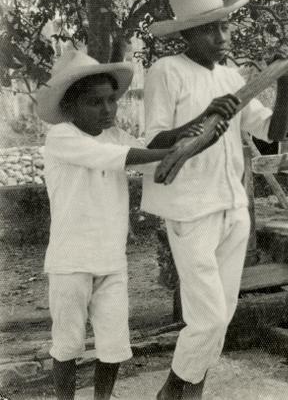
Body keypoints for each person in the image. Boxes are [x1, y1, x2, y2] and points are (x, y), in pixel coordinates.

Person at [35, 51, 227, 400]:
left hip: (111, 261)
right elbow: (127, 158)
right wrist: (181, 150)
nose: (107, 109)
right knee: (68, 344)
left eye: (112, 100)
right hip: (70, 262)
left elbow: (148, 153)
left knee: (114, 345)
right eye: (95, 102)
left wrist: (200, 123)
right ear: (71, 107)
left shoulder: (116, 136)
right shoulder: (61, 137)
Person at [143, 0, 288, 399]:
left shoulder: (232, 77)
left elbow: (273, 130)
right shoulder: (166, 72)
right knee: (205, 318)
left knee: (220, 316)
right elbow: (155, 142)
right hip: (190, 210)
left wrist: (285, 82)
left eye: (225, 25)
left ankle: (188, 392)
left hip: (232, 208)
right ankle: (173, 390)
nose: (222, 35)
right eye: (209, 29)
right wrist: (202, 117)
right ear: (187, 36)